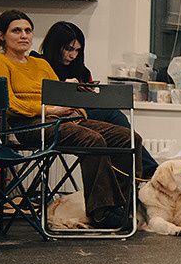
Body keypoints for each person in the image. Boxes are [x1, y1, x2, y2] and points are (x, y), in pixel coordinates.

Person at [0, 10, 142, 231]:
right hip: (29, 125)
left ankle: (123, 206)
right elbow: (10, 105)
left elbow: (62, 96)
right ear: (1, 35)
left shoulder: (40, 65)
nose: (24, 35)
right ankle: (101, 212)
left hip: (62, 120)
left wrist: (76, 113)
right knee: (92, 139)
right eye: (16, 30)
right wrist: (52, 110)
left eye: (28, 30)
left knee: (128, 137)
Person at [37, 21, 158, 177]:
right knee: (114, 118)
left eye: (77, 50)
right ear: (55, 46)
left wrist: (87, 93)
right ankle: (150, 171)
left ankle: (135, 179)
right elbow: (38, 94)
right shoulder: (39, 65)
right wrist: (65, 88)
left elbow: (91, 102)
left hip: (81, 114)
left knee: (121, 133)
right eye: (69, 49)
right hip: (58, 117)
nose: (73, 55)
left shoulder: (80, 69)